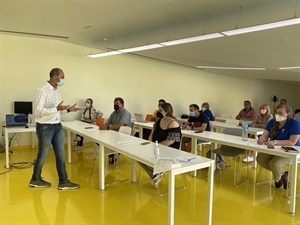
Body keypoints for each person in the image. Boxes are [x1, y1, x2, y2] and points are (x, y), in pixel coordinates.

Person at [29, 68, 81, 190]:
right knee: (43, 154)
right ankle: (35, 179)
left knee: (60, 154)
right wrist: (57, 108)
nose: (63, 80)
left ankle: (63, 181)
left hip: (57, 126)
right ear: (55, 77)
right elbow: (38, 112)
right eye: (62, 77)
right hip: (45, 127)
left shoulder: (57, 92)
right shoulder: (41, 91)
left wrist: (67, 110)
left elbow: (56, 112)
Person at [256, 104, 300, 189]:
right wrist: (262, 139)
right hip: (275, 148)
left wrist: (275, 142)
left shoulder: (295, 124)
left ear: (287, 113)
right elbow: (265, 135)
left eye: (281, 113)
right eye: (276, 113)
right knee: (260, 159)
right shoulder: (272, 122)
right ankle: (283, 174)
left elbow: (292, 142)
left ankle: (278, 180)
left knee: (274, 164)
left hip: (291, 150)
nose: (278, 115)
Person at [139, 102, 181, 188]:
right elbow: (152, 134)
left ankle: (157, 172)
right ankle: (155, 174)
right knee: (138, 156)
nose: (158, 111)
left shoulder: (173, 123)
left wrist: (156, 147)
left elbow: (170, 141)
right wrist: (150, 144)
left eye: (161, 110)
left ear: (167, 111)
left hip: (169, 150)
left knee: (149, 158)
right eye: (159, 109)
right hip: (156, 147)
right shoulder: (158, 121)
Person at [99, 97, 132, 163]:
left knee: (108, 140)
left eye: (117, 103)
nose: (115, 105)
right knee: (99, 139)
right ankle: (111, 154)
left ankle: (114, 153)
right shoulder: (113, 113)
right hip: (113, 133)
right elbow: (107, 123)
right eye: (114, 103)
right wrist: (102, 126)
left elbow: (121, 125)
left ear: (122, 105)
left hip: (123, 135)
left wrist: (108, 128)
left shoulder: (125, 113)